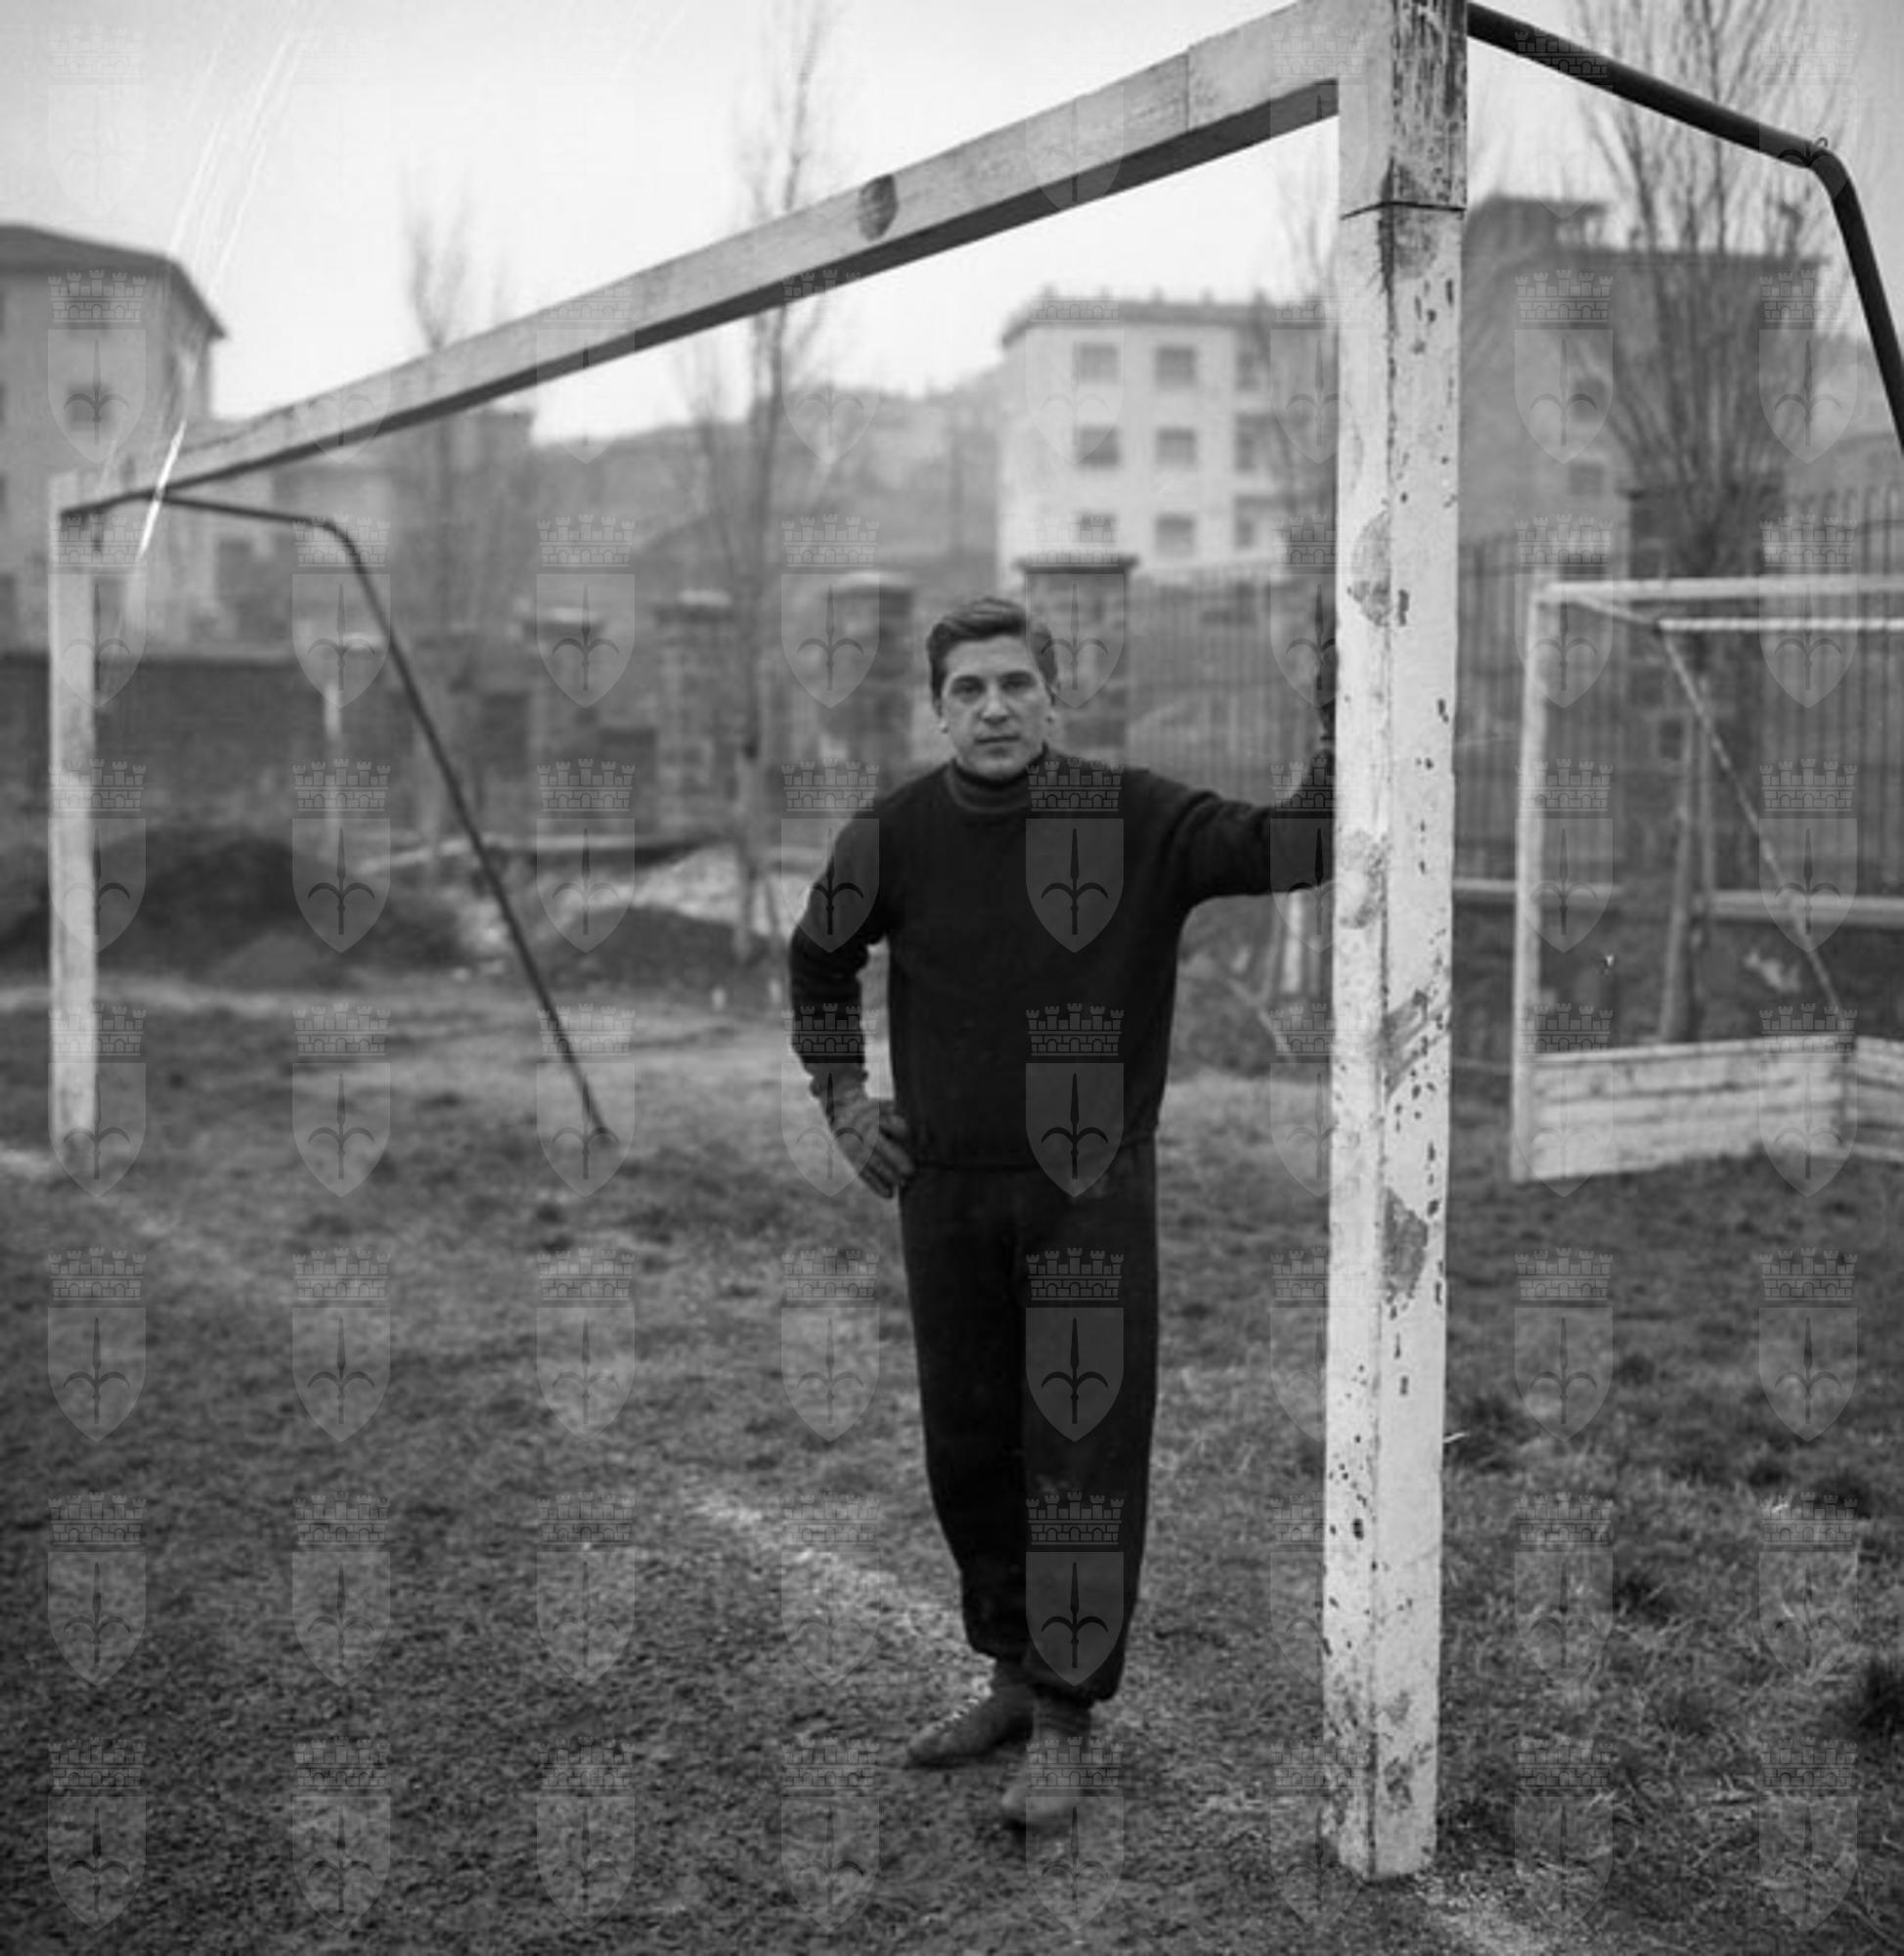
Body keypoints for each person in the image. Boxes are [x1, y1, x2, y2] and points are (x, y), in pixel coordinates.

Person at [786, 595, 1335, 1830]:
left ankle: (1067, 1719)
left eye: (1015, 685)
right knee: (970, 1443)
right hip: (945, 1188)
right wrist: (844, 1097)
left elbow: (1294, 846)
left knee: (1079, 1450)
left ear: (1052, 695)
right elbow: (818, 956)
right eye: (969, 689)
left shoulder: (1131, 814)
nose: (994, 708)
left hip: (1088, 1191)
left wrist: (1338, 722)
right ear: (938, 709)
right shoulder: (894, 833)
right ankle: (1007, 1676)